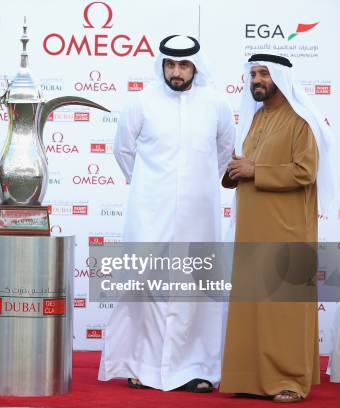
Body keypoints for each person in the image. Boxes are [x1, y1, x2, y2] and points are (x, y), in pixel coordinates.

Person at [98, 35, 235, 392]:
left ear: (196, 66)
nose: (176, 72)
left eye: (184, 65)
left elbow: (224, 152)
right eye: (170, 65)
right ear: (162, 65)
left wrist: (194, 186)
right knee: (144, 285)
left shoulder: (217, 104)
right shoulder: (140, 102)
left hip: (199, 214)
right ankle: (141, 365)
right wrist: (150, 187)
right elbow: (123, 151)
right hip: (149, 211)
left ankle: (196, 367)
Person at [220, 54, 336, 402]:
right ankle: (250, 379)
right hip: (252, 229)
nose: (257, 79)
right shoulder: (256, 119)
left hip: (286, 229)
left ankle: (289, 381)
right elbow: (246, 166)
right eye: (253, 73)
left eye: (264, 74)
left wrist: (256, 170)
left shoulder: (302, 121)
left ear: (281, 78)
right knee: (252, 304)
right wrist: (236, 170)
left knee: (283, 306)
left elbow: (305, 172)